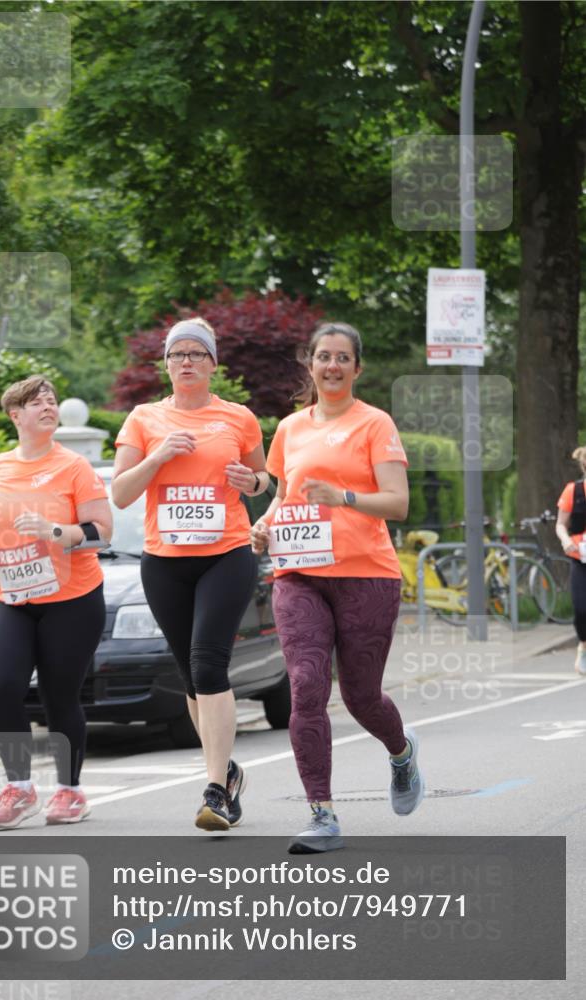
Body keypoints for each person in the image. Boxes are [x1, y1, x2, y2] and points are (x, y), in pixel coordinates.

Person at [250, 321, 424, 853]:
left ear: (356, 367)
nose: (331, 366)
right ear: (311, 364)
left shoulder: (374, 424)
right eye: (323, 356)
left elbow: (397, 503)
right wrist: (265, 523)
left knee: (361, 696)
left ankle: (400, 752)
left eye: (342, 358)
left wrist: (343, 498)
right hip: (299, 573)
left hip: (366, 574)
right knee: (305, 687)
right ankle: (321, 813)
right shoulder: (289, 429)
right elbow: (284, 495)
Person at [112, 317, 268, 831]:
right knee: (189, 676)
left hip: (226, 553)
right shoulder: (143, 418)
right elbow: (121, 494)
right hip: (165, 562)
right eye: (177, 354)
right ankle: (225, 773)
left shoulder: (238, 417)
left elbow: (264, 478)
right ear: (166, 363)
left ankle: (215, 790)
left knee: (207, 665)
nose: (186, 362)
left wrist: (254, 480)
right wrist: (158, 455)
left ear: (212, 364)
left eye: (196, 354)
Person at [0, 376, 112, 828]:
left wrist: (57, 533)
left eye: (52, 399)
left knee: (59, 695)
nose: (48, 405)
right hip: (11, 596)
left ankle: (70, 792)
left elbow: (101, 532)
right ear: (16, 415)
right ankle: (19, 788)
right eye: (37, 402)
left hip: (72, 599)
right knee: (0, 684)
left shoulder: (74, 467)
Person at [556, 445, 586, 675]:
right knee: (581, 608)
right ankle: (583, 646)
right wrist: (566, 540)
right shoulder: (573, 491)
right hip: (580, 557)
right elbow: (560, 524)